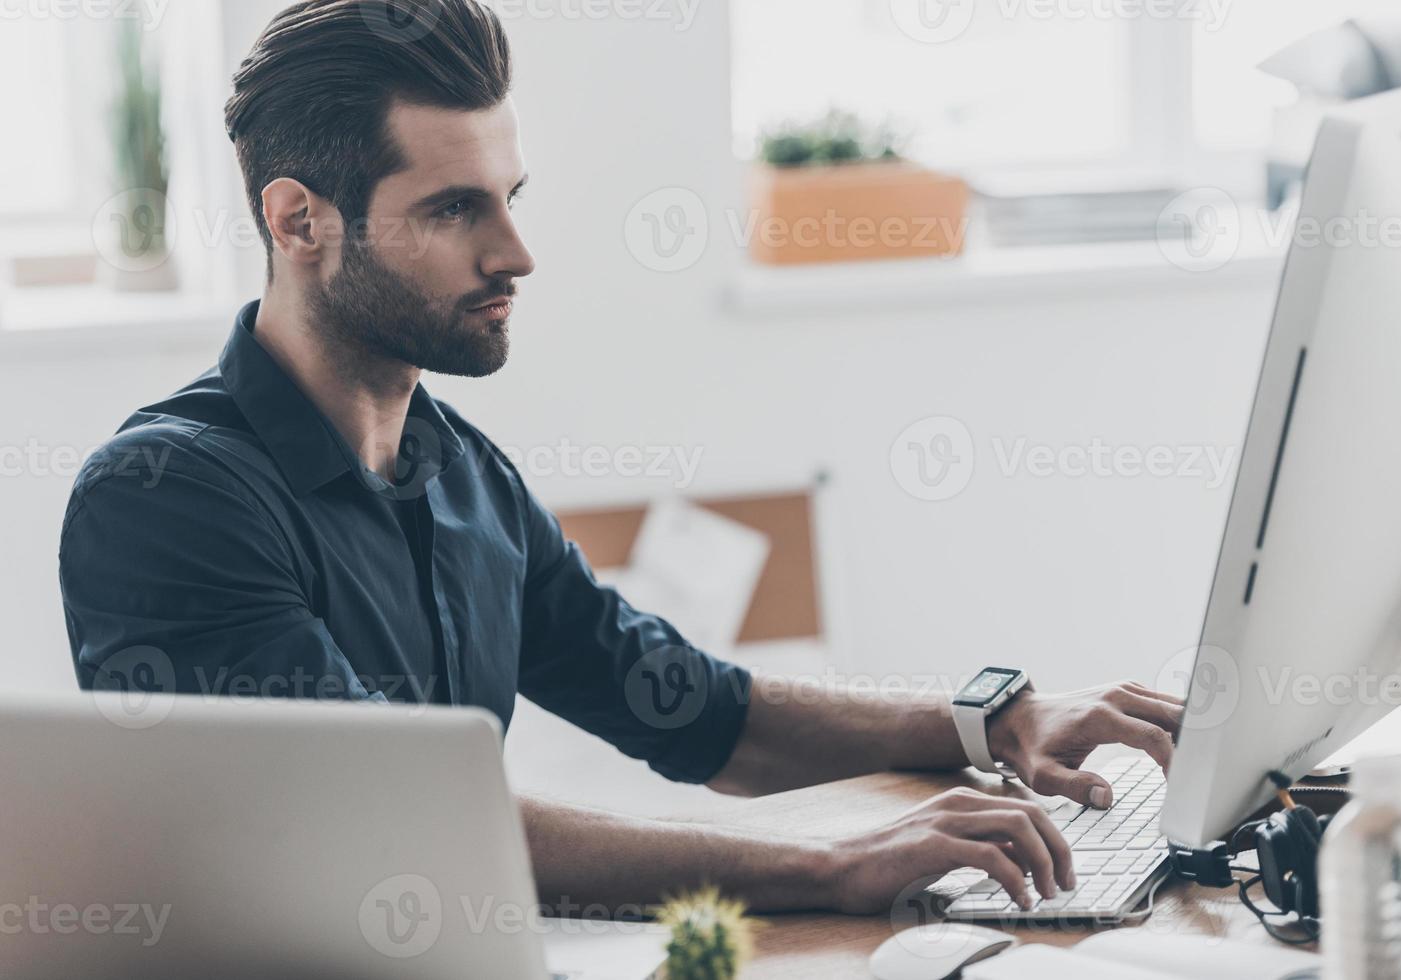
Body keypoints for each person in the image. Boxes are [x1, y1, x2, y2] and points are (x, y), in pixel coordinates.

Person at [58, 0, 1183, 915]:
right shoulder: (166, 496)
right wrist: (829, 863)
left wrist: (983, 722)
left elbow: (695, 711)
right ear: (299, 221)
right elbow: (393, 825)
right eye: (455, 209)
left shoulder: (460, 471)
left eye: (509, 197)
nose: (516, 253)